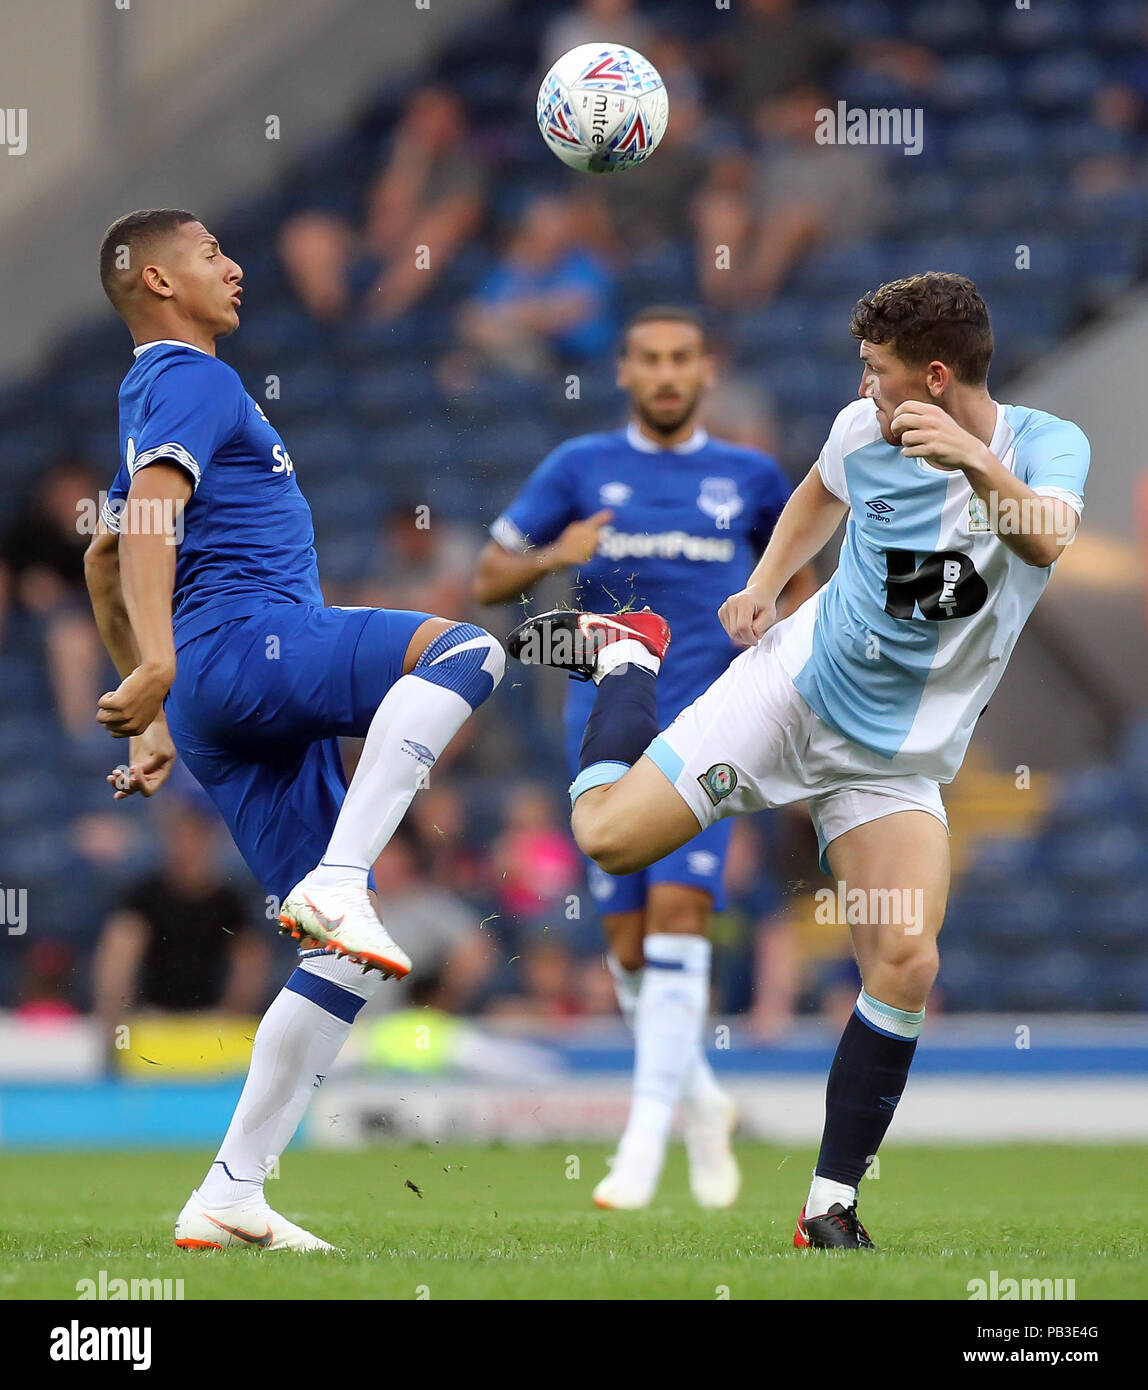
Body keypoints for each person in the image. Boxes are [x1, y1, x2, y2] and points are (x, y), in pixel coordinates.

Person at [505, 273, 1089, 1246]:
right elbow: (818, 490)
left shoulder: (1040, 445)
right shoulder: (863, 429)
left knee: (904, 956)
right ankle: (625, 657)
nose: (862, 387)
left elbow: (1045, 539)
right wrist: (764, 583)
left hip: (893, 760)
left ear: (934, 378)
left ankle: (828, 1205)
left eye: (876, 371)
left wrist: (970, 461)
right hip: (787, 698)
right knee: (606, 839)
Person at [85, 208, 504, 1252]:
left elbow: (104, 557)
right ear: (152, 278)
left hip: (213, 695)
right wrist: (162, 663)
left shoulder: (153, 397)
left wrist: (150, 704)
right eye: (210, 252)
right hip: (247, 646)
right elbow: (145, 518)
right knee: (470, 653)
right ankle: (344, 873)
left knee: (348, 959)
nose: (234, 266)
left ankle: (230, 1191)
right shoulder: (190, 374)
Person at [474, 305, 816, 1209]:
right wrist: (558, 552)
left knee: (677, 917)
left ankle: (642, 1141)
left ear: (707, 371)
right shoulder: (578, 468)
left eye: (682, 359)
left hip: (709, 729)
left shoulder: (750, 477)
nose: (666, 373)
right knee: (626, 945)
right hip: (606, 726)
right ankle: (700, 1104)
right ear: (623, 371)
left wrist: (780, 630)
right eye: (650, 359)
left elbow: (806, 582)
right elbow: (486, 579)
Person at [91, 795, 270, 1062]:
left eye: (197, 836)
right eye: (182, 836)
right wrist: (115, 1026)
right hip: (155, 1023)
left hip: (210, 1024)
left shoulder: (228, 902)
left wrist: (232, 1016)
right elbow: (117, 961)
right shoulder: (145, 897)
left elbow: (251, 962)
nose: (188, 846)